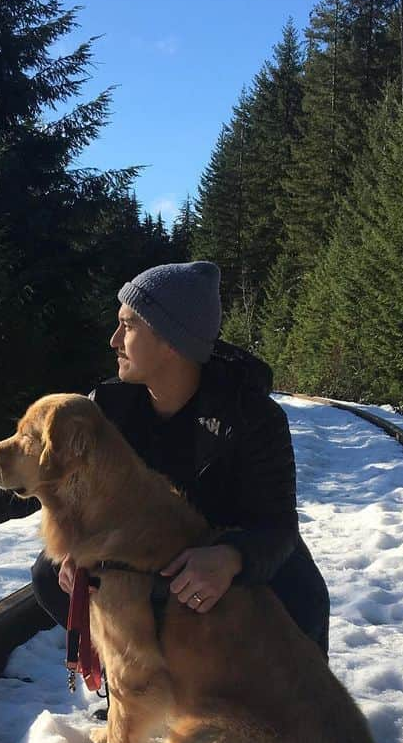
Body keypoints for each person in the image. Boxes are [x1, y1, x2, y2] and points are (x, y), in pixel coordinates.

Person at [30, 261, 330, 655]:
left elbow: (276, 525)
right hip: (140, 551)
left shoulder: (252, 416)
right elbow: (76, 499)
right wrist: (77, 548)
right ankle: (132, 686)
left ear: (171, 341)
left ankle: (295, 705)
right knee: (50, 574)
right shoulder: (107, 408)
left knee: (302, 593)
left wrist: (230, 557)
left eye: (129, 325)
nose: (114, 340)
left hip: (215, 550)